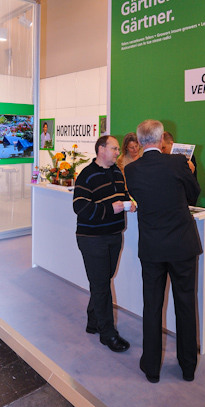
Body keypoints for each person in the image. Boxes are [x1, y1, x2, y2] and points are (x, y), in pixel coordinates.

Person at [124, 120, 202, 383]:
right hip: (182, 245)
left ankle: (152, 368)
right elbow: (193, 196)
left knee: (152, 306)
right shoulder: (178, 163)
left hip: (152, 247)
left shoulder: (131, 170)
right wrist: (192, 172)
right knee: (186, 304)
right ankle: (188, 367)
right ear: (161, 140)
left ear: (139, 141)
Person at [73, 135, 135, 352]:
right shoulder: (86, 175)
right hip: (92, 239)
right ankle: (108, 334)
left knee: (102, 281)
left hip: (114, 235)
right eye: (114, 148)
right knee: (101, 285)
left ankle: (93, 321)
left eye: (118, 149)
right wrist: (110, 209)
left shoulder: (117, 172)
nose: (118, 152)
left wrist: (129, 202)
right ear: (101, 149)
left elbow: (124, 195)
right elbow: (79, 207)